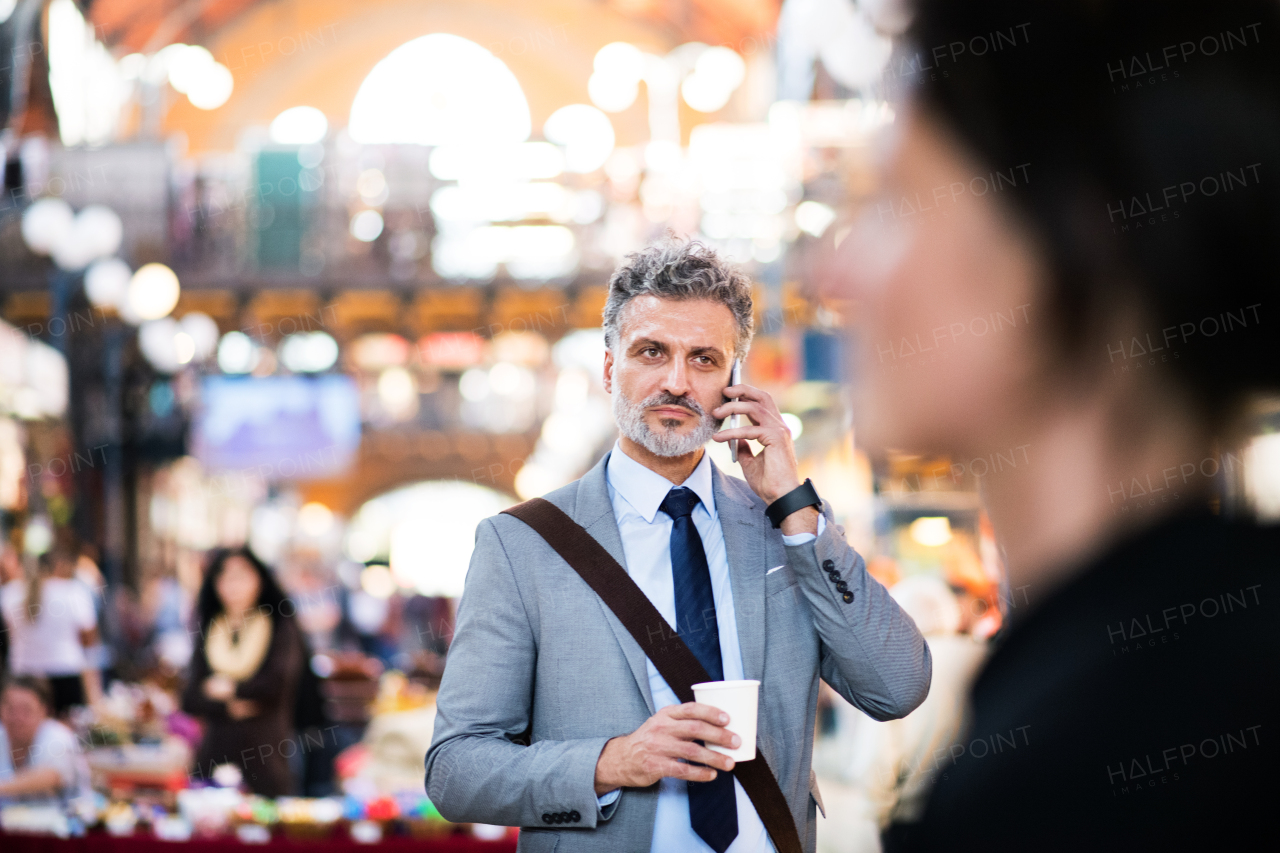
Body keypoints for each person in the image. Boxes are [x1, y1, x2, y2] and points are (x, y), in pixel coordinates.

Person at [832, 1, 1280, 849]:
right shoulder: (1200, 664)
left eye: (895, 204)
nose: (838, 269)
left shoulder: (1082, 773)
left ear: (1050, 259)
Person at [426, 237, 931, 853]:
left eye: (704, 360)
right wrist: (612, 761)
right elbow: (456, 768)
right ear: (611, 367)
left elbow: (898, 684)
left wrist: (796, 507)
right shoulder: (522, 545)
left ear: (733, 383)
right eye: (651, 352)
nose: (676, 381)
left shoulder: (786, 529)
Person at [182, 547, 303, 797]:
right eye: (225, 577)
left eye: (241, 576)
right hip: (216, 751)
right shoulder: (210, 627)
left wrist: (228, 689)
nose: (233, 586)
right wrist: (234, 705)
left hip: (264, 753)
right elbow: (191, 697)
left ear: (259, 579)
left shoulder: (278, 625)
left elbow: (275, 687)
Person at [0, 546, 102, 715]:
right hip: (65, 673)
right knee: (66, 731)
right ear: (59, 566)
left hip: (24, 676)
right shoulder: (72, 592)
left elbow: (8, 636)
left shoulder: (10, 593)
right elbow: (89, 638)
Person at [0, 675, 91, 806]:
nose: (17, 717)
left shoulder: (58, 735)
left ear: (43, 710)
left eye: (26, 710)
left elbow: (51, 776)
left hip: (64, 822)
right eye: (10, 708)